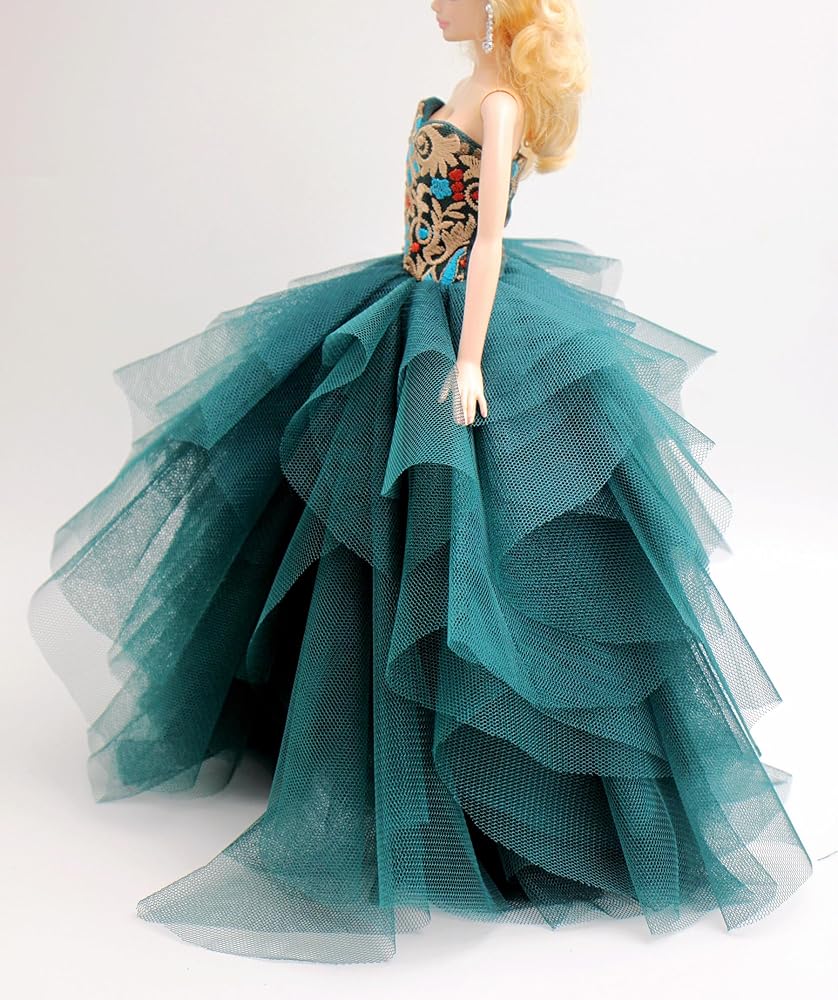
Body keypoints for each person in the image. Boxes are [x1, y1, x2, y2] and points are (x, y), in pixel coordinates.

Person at [27, 0, 813, 965]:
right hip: (408, 299)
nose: (432, 4)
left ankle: (488, 783)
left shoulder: (502, 105)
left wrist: (471, 358)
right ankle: (349, 732)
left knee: (466, 528)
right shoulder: (468, 85)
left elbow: (487, 240)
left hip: (458, 322)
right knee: (363, 519)